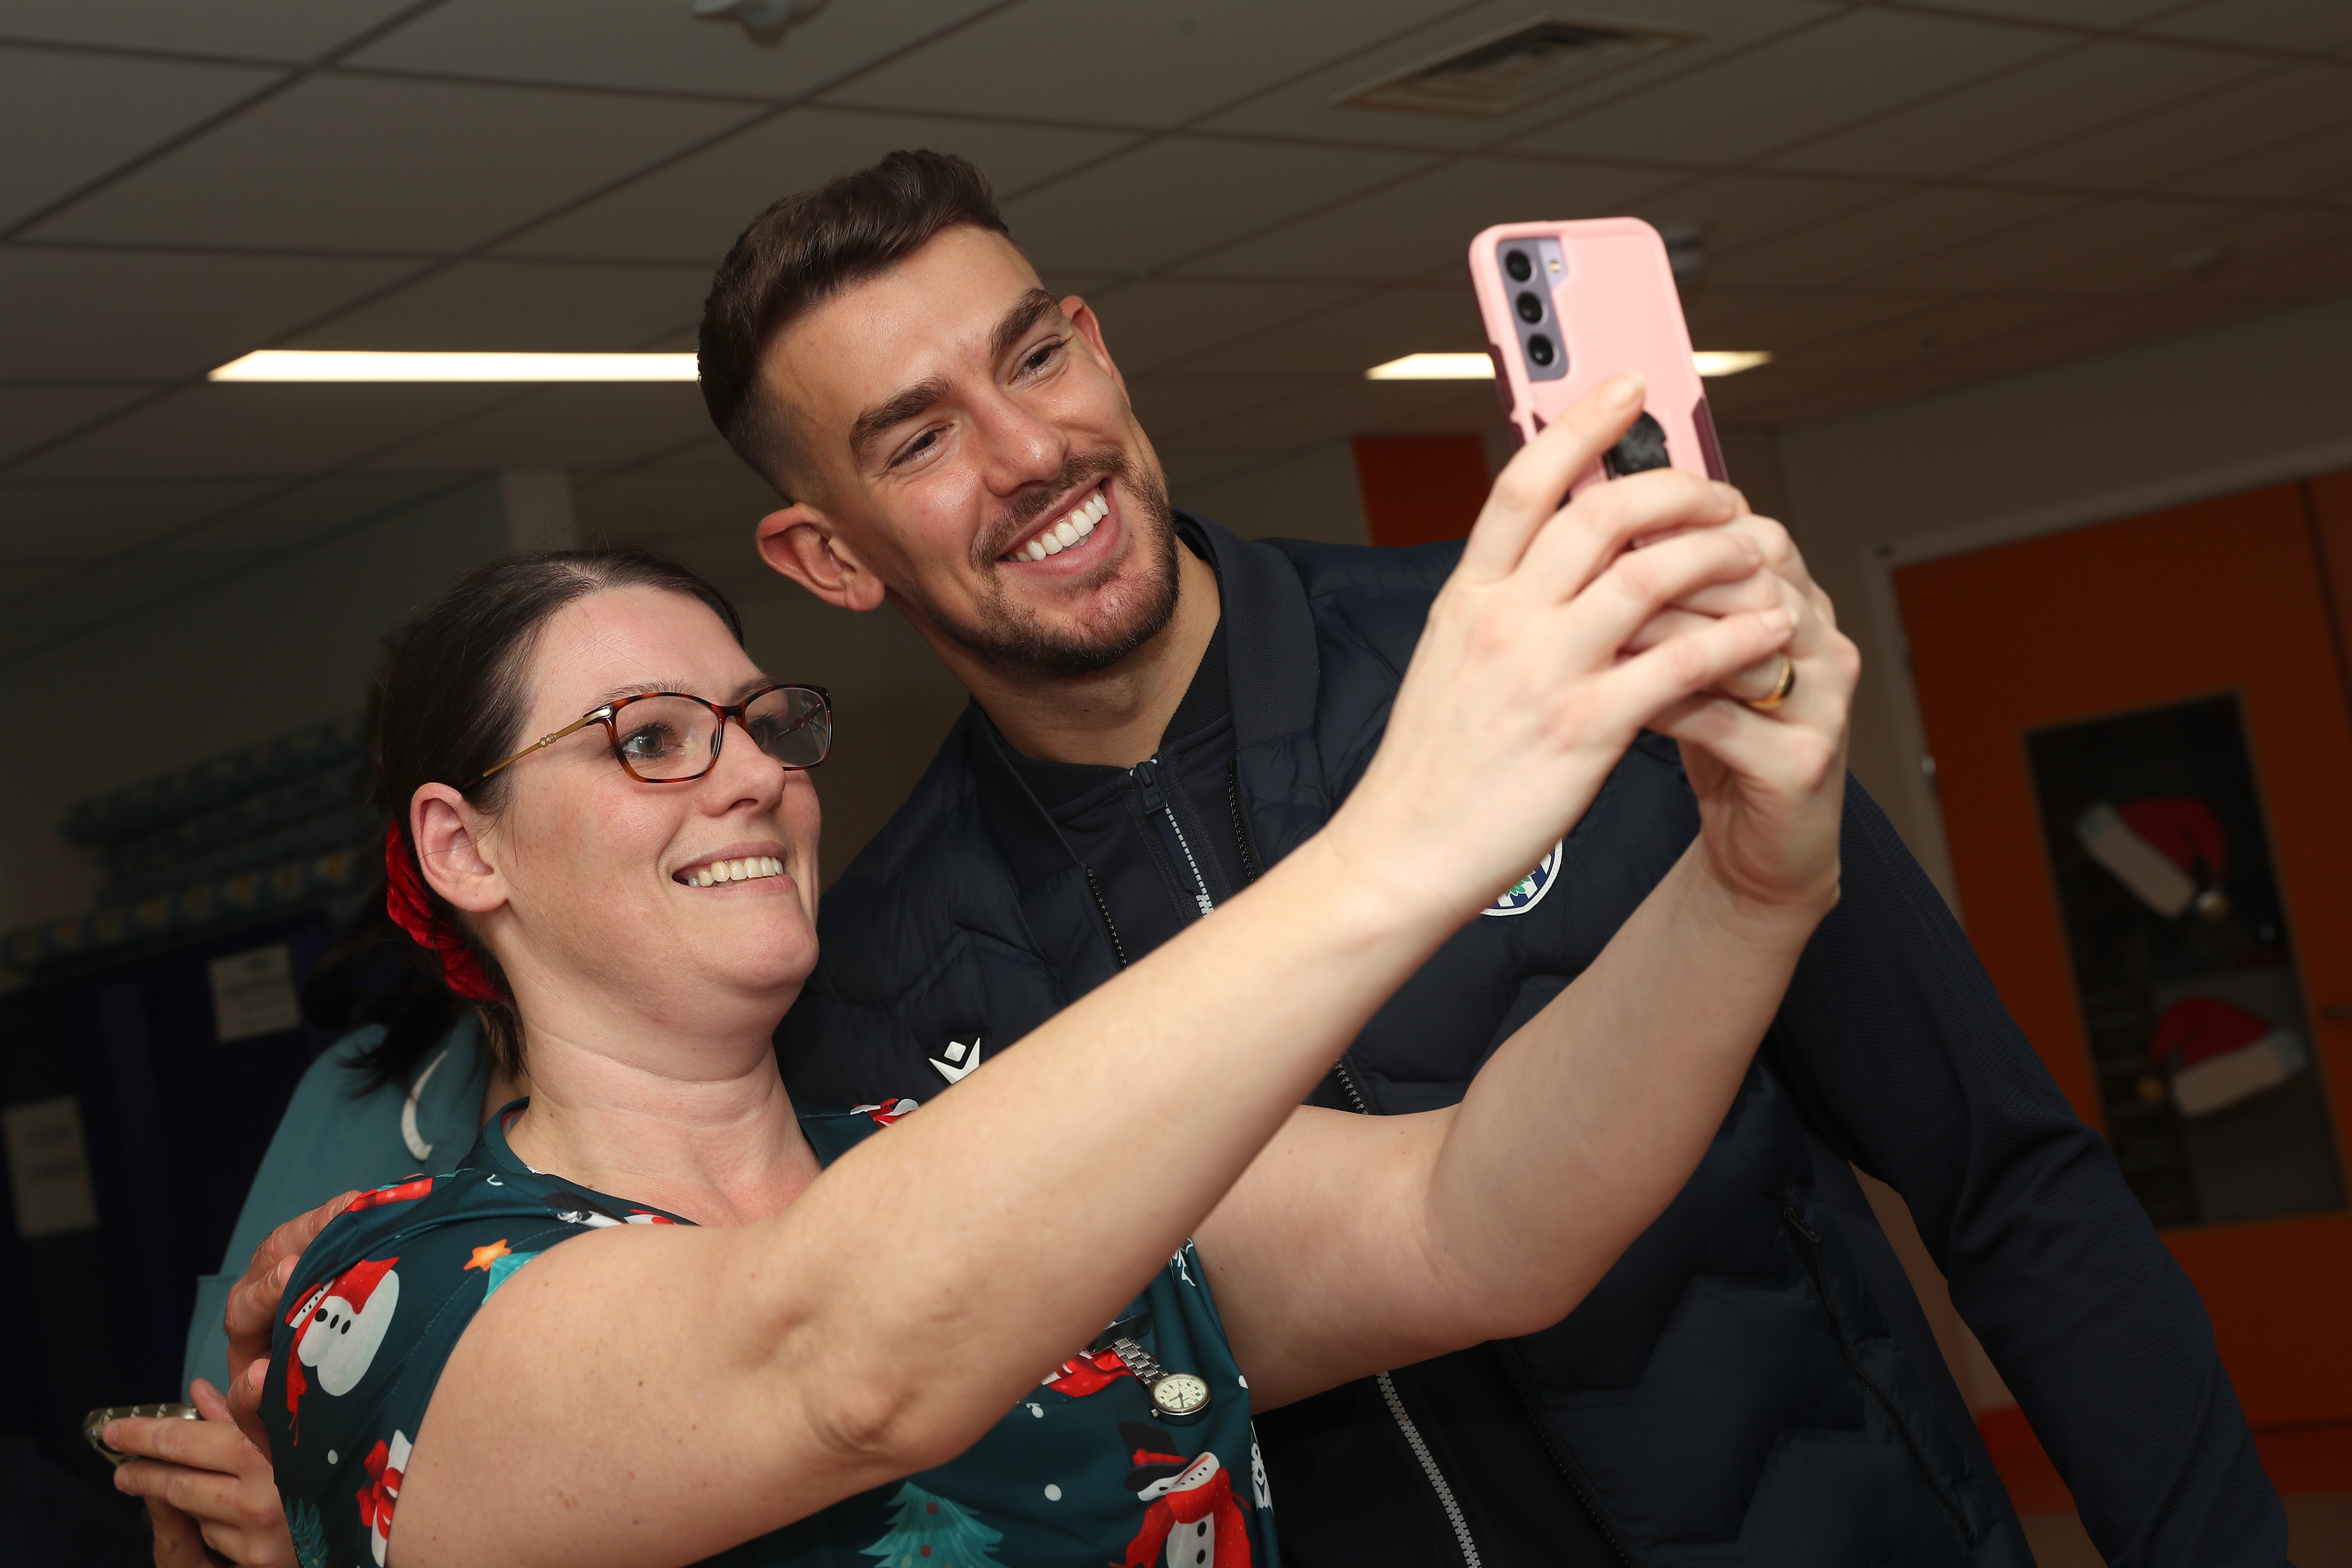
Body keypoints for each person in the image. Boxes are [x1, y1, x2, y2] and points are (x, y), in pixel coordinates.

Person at [679, 153, 2279, 1565]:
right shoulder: (879, 992)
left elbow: (2005, 1177)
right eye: (919, 441)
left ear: (1096, 345)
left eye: (1035, 355)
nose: (1030, 451)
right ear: (828, 555)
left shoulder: (1579, 657)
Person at [197, 435, 1843, 1568]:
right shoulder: (393, 1300)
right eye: (647, 738)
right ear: (462, 846)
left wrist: (1753, 889)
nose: (754, 779)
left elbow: (1479, 1219)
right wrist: (1410, 835)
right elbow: (832, 1363)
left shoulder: (977, 1169)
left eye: (763, 723)